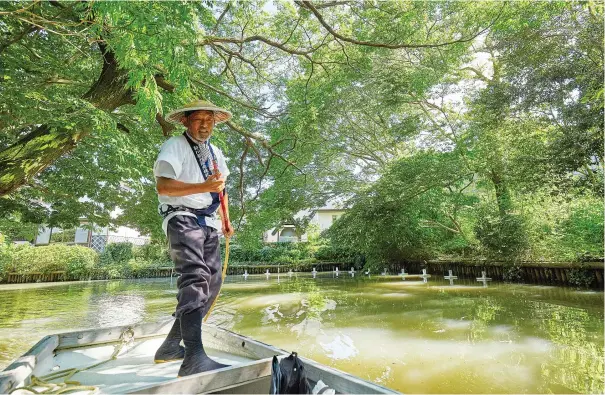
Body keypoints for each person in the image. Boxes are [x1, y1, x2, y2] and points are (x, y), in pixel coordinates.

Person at [152, 100, 235, 377]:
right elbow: (163, 186)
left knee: (213, 281)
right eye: (198, 120)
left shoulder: (215, 153)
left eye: (209, 121)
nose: (204, 126)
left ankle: (171, 346)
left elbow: (220, 189)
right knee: (195, 277)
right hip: (180, 217)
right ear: (186, 122)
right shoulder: (175, 146)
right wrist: (203, 186)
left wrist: (226, 220)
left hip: (209, 221)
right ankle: (194, 357)